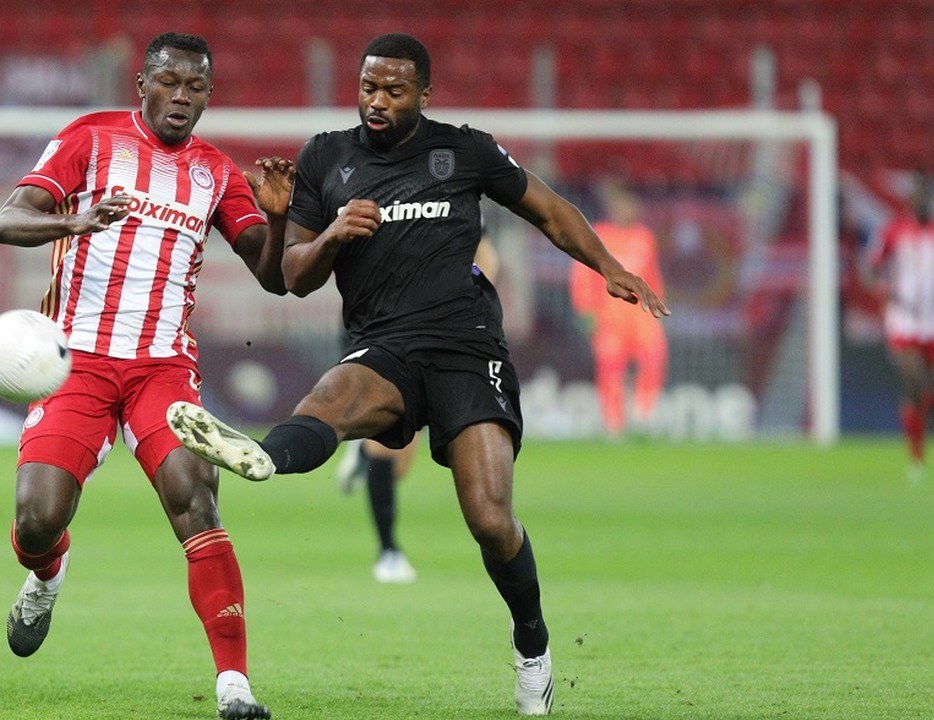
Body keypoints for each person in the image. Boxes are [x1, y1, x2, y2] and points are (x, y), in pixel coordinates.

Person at [167, 32, 668, 716]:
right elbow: (292, 277)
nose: (377, 101)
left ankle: (531, 641)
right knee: (329, 399)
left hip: (467, 348)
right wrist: (331, 232)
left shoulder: (464, 151)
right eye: (368, 87)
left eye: (394, 91)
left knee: (490, 520)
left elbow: (550, 211)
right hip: (385, 346)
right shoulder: (326, 157)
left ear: (423, 94)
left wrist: (608, 266)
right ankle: (260, 455)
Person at [0, 32, 291, 720]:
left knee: (197, 501)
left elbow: (273, 276)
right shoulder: (91, 138)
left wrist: (276, 221)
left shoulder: (217, 172)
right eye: (169, 82)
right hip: (77, 363)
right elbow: (7, 221)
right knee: (36, 521)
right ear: (142, 84)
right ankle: (47, 573)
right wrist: (75, 221)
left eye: (195, 87)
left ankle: (234, 685)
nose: (181, 97)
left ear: (209, 96)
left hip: (162, 369)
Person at [336, 234, 501, 584]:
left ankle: (362, 452)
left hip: (432, 330)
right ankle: (388, 552)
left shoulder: (454, 201)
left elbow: (486, 253)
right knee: (386, 444)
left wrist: (469, 302)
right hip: (376, 327)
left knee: (398, 463)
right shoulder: (363, 202)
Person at [859, 170, 934, 480]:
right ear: (911, 199)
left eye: (927, 195)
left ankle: (924, 414)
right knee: (913, 381)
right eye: (918, 195)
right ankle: (917, 458)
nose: (923, 200)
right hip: (905, 316)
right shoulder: (894, 231)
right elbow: (870, 267)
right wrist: (881, 289)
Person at [569, 178, 668, 437]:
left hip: (641, 316)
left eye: (632, 204)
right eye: (622, 203)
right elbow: (582, 275)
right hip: (609, 316)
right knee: (610, 368)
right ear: (612, 206)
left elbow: (653, 277)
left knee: (654, 357)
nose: (627, 209)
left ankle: (644, 416)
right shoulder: (599, 235)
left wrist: (657, 303)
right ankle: (613, 425)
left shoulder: (644, 237)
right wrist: (586, 310)